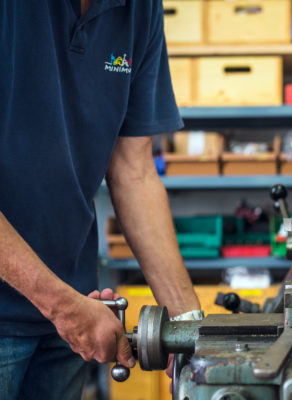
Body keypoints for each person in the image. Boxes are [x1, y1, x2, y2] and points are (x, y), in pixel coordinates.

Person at [0, 1, 201, 398]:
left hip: (69, 314)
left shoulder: (140, 10)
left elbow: (135, 170)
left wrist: (188, 326)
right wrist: (62, 305)